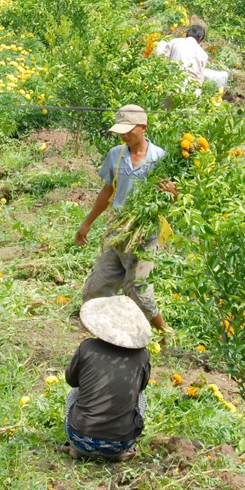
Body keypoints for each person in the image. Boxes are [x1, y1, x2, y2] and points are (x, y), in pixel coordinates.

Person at [75, 104, 175, 340]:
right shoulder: (116, 154)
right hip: (118, 230)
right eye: (121, 130)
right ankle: (104, 333)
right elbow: (107, 191)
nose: (124, 134)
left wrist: (174, 193)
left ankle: (165, 333)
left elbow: (175, 199)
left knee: (138, 292)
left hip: (145, 233)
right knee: (96, 288)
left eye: (129, 129)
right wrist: (87, 223)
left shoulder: (160, 159)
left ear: (144, 127)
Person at [60, 295, 152, 462]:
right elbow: (141, 387)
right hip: (120, 443)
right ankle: (126, 450)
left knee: (73, 394)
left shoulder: (87, 348)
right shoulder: (142, 355)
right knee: (141, 398)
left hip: (82, 439)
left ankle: (75, 446)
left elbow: (72, 381)